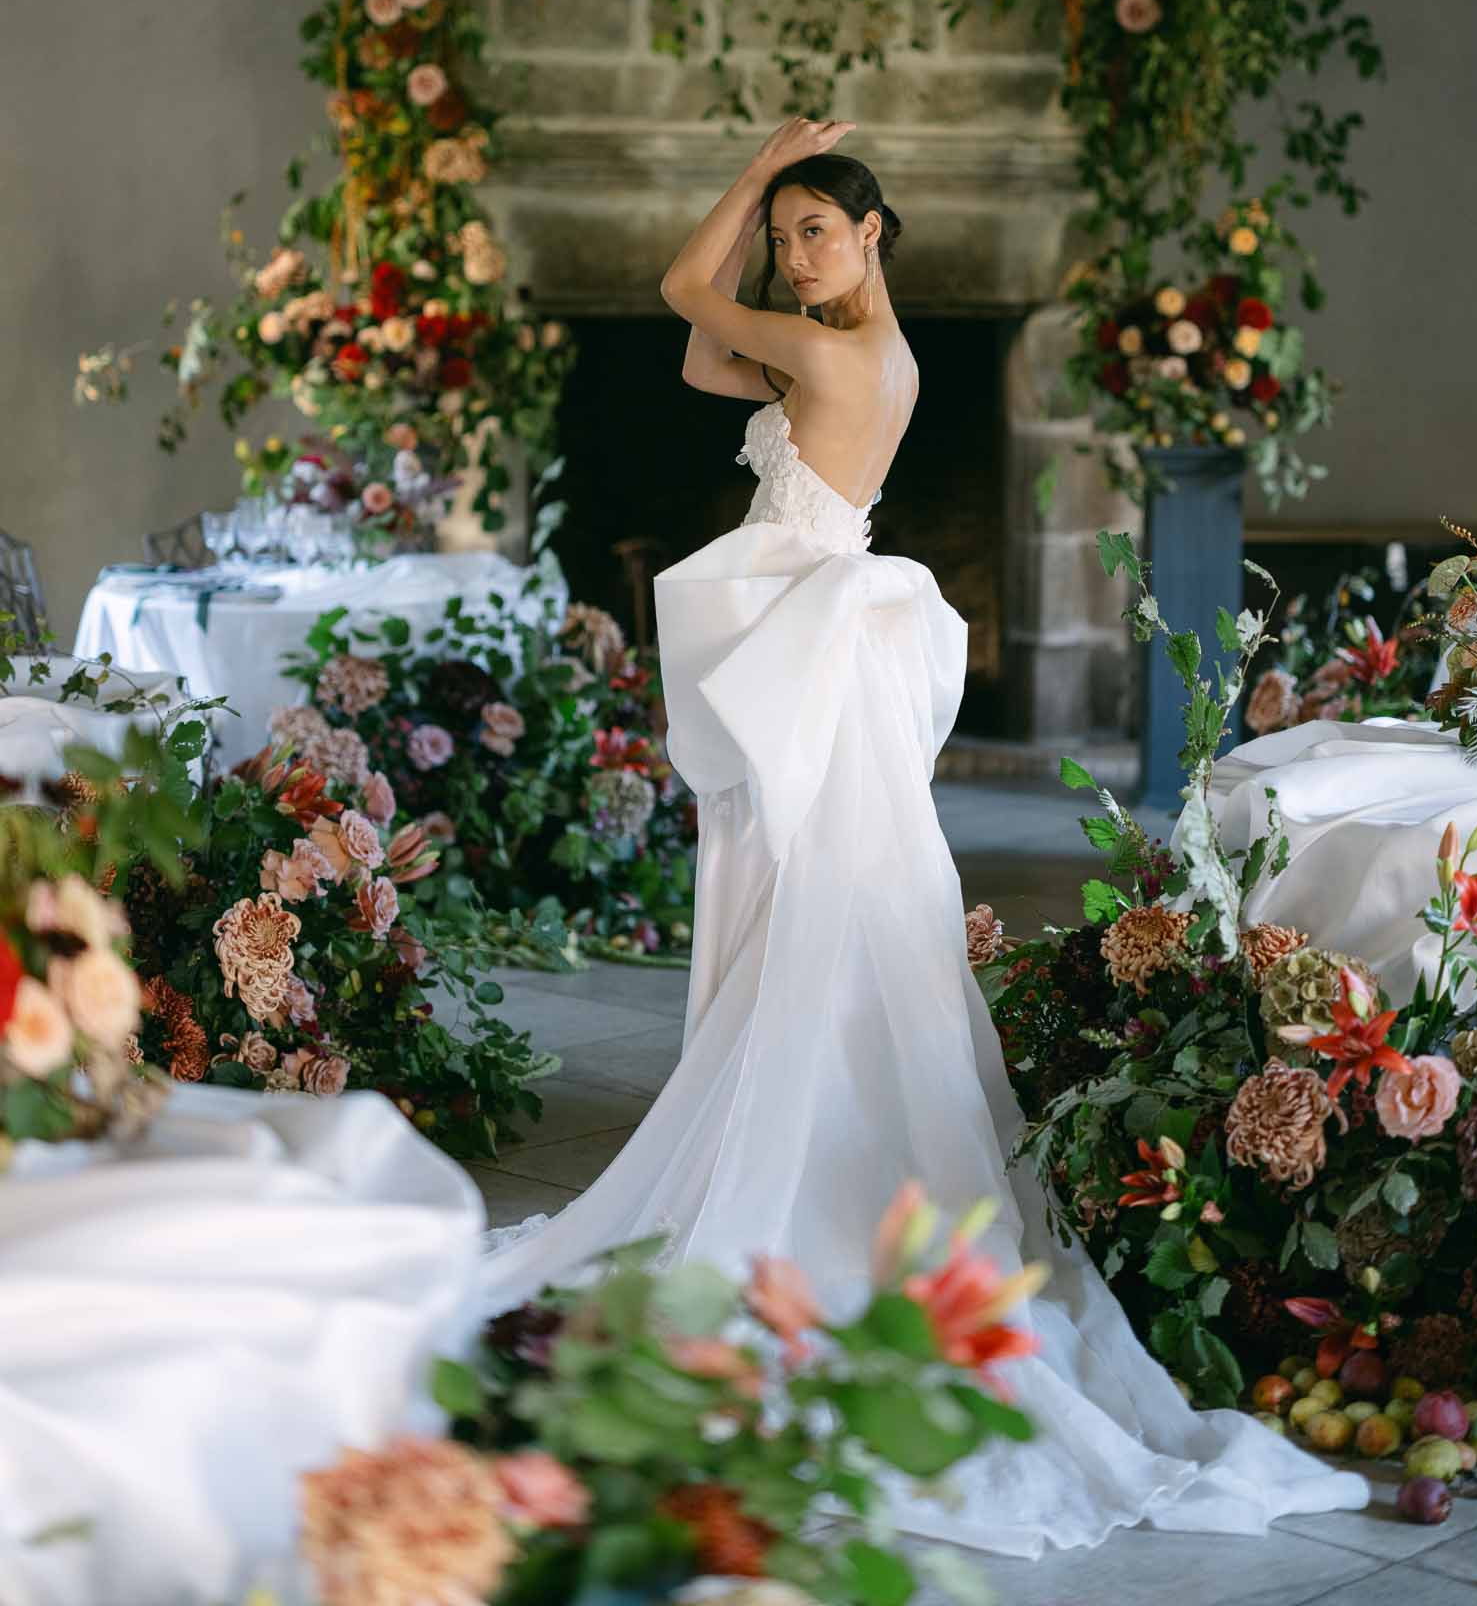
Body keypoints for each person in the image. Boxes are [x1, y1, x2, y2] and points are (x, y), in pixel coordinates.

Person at [479, 118, 1367, 1555]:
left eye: (817, 230)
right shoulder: (833, 349)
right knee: (791, 899)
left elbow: (675, 299)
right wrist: (764, 218)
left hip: (806, 648)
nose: (792, 250)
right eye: (785, 237)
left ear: (876, 233)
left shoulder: (839, 355)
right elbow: (708, 355)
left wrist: (758, 165)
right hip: (798, 630)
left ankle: (794, 1157)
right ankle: (761, 1112)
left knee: (808, 895)